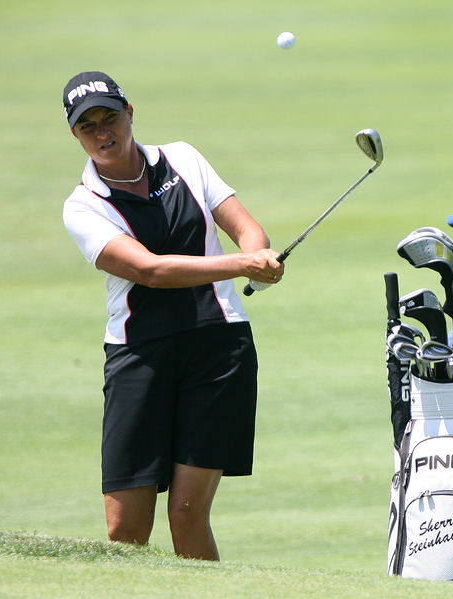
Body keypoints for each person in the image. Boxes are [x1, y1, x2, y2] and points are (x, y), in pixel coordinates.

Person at [62, 71, 285, 560]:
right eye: (88, 126)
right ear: (75, 134)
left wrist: (258, 254)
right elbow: (151, 271)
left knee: (187, 513)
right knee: (125, 530)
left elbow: (246, 227)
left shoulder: (184, 158)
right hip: (139, 355)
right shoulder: (83, 206)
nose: (103, 133)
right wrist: (242, 263)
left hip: (218, 346)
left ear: (130, 112)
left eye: (110, 118)